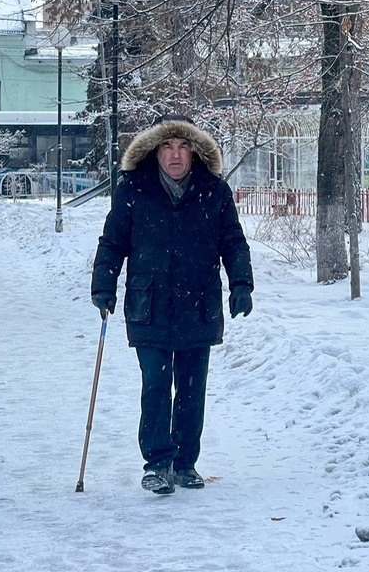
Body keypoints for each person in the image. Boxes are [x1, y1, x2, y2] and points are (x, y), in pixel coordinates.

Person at [91, 114, 254, 495]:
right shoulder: (133, 189)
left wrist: (241, 284)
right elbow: (113, 241)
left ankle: (184, 463)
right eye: (168, 146)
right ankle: (157, 462)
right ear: (155, 151)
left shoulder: (213, 191)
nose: (176, 154)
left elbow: (232, 240)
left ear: (194, 152)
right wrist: (104, 284)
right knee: (156, 383)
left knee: (192, 389)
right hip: (150, 304)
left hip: (199, 303)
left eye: (183, 147)